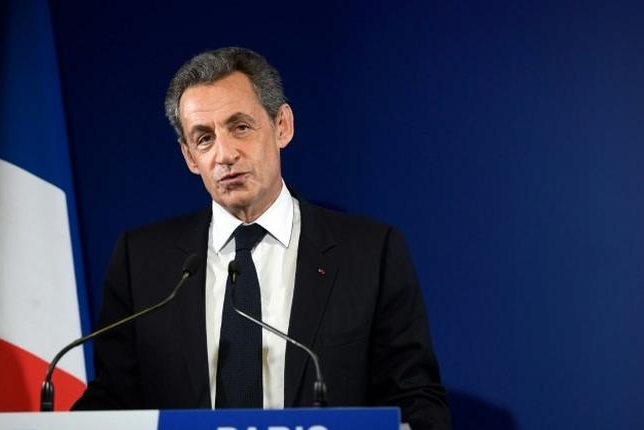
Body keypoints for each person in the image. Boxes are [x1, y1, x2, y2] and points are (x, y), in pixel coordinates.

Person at [72, 46, 451, 429]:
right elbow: (113, 401)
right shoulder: (142, 262)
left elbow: (415, 400)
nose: (225, 154)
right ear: (189, 157)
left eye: (240, 127)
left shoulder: (370, 253)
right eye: (204, 138)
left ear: (281, 125)